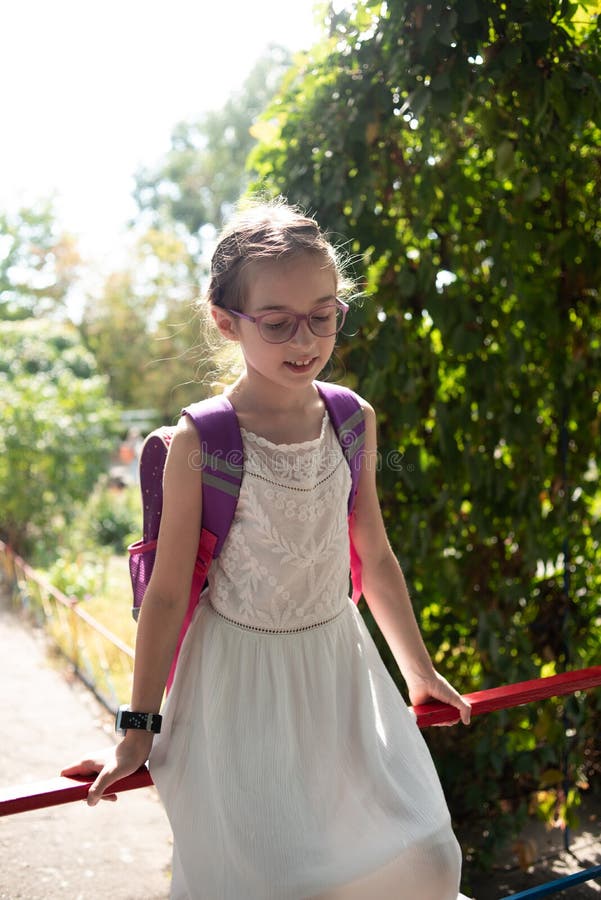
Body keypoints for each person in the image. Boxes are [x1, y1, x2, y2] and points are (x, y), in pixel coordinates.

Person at [62, 199, 472, 900]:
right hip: (237, 688)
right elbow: (164, 593)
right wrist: (137, 730)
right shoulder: (203, 440)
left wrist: (419, 671)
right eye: (278, 322)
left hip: (338, 673)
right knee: (274, 879)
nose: (305, 338)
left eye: (324, 314)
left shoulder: (351, 418)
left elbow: (371, 554)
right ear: (226, 321)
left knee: (425, 856)